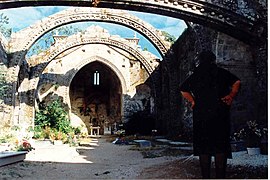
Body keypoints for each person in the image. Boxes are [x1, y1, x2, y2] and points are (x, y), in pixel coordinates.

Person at [179, 50, 241, 179]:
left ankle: (206, 177)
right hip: (220, 112)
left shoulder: (196, 74)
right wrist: (231, 96)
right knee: (220, 146)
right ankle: (220, 176)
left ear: (200, 61)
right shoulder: (221, 72)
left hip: (201, 113)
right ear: (213, 60)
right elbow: (237, 82)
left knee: (204, 147)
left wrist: (193, 101)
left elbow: (183, 89)